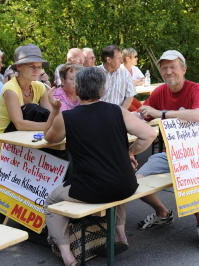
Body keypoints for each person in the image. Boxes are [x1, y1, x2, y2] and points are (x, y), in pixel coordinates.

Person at [44, 67, 157, 266]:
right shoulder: (118, 111)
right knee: (116, 185)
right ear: (103, 91)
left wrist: (54, 110)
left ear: (77, 90)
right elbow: (149, 134)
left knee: (51, 202)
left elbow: (49, 138)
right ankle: (121, 234)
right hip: (126, 185)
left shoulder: (67, 118)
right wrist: (130, 152)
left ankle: (67, 254)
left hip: (89, 190)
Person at [134, 50, 199, 251]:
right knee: (135, 181)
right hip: (169, 154)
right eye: (164, 68)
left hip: (194, 154)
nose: (168, 72)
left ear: (183, 69)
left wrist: (162, 114)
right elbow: (141, 115)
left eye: (172, 67)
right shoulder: (160, 92)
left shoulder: (196, 89)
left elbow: (198, 114)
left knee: (190, 181)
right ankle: (162, 213)